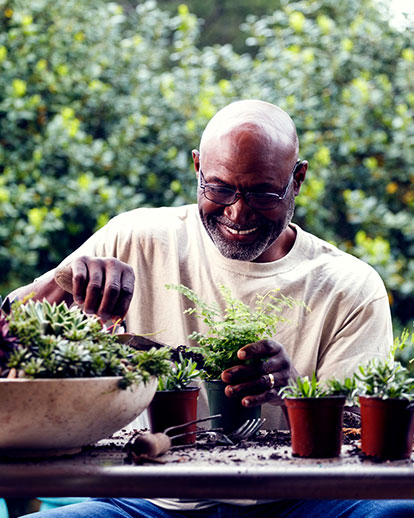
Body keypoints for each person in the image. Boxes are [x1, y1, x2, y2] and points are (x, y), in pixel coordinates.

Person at [10, 100, 413, 517]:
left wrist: (294, 394)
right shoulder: (136, 238)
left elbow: (358, 441)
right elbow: (9, 338)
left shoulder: (350, 285)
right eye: (219, 188)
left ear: (298, 179)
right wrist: (62, 283)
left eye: (262, 192)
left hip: (300, 504)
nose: (237, 212)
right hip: (147, 503)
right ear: (197, 169)